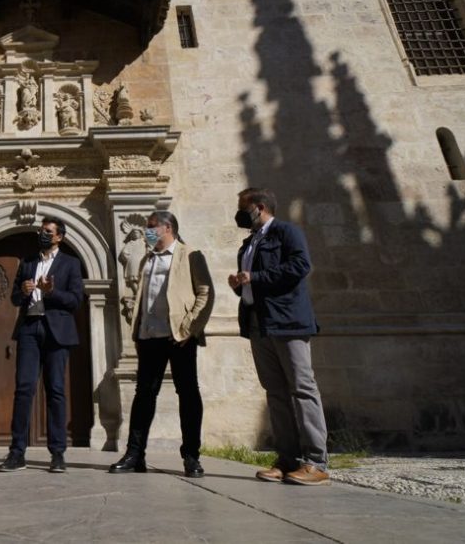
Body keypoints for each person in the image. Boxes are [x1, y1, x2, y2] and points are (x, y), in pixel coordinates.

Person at [228, 188, 330, 486]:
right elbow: (252, 281)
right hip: (259, 323)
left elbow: (300, 266)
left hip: (288, 322)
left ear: (259, 207)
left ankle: (316, 462)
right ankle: (287, 459)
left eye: (243, 208)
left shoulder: (286, 232)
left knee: (302, 388)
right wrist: (239, 284)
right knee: (276, 392)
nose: (239, 214)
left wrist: (255, 278)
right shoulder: (249, 243)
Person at [109, 211, 213, 478]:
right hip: (149, 336)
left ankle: (191, 456)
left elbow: (205, 292)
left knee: (188, 394)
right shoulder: (147, 258)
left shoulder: (190, 254)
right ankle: (135, 454)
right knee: (144, 395)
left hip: (179, 337)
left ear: (168, 228)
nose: (148, 232)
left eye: (153, 227)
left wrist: (189, 327)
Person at [0, 216, 85, 473]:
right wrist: (23, 291)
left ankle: (57, 453)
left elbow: (75, 300)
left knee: (56, 390)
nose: (43, 235)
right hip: (29, 329)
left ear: (59, 236)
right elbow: (14, 298)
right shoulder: (28, 262)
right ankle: (17, 452)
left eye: (48, 231)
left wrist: (50, 292)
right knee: (24, 389)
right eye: (41, 231)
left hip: (57, 332)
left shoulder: (71, 263)